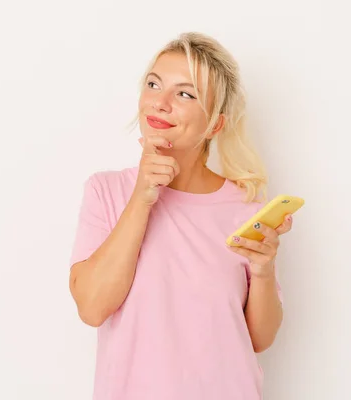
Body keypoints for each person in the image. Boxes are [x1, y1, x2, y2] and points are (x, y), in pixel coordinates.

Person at [68, 32, 293, 400]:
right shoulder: (105, 192)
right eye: (154, 84)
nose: (160, 102)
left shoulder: (244, 208)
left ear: (215, 126)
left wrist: (264, 272)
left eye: (185, 93)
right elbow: (92, 307)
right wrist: (142, 197)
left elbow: (260, 338)